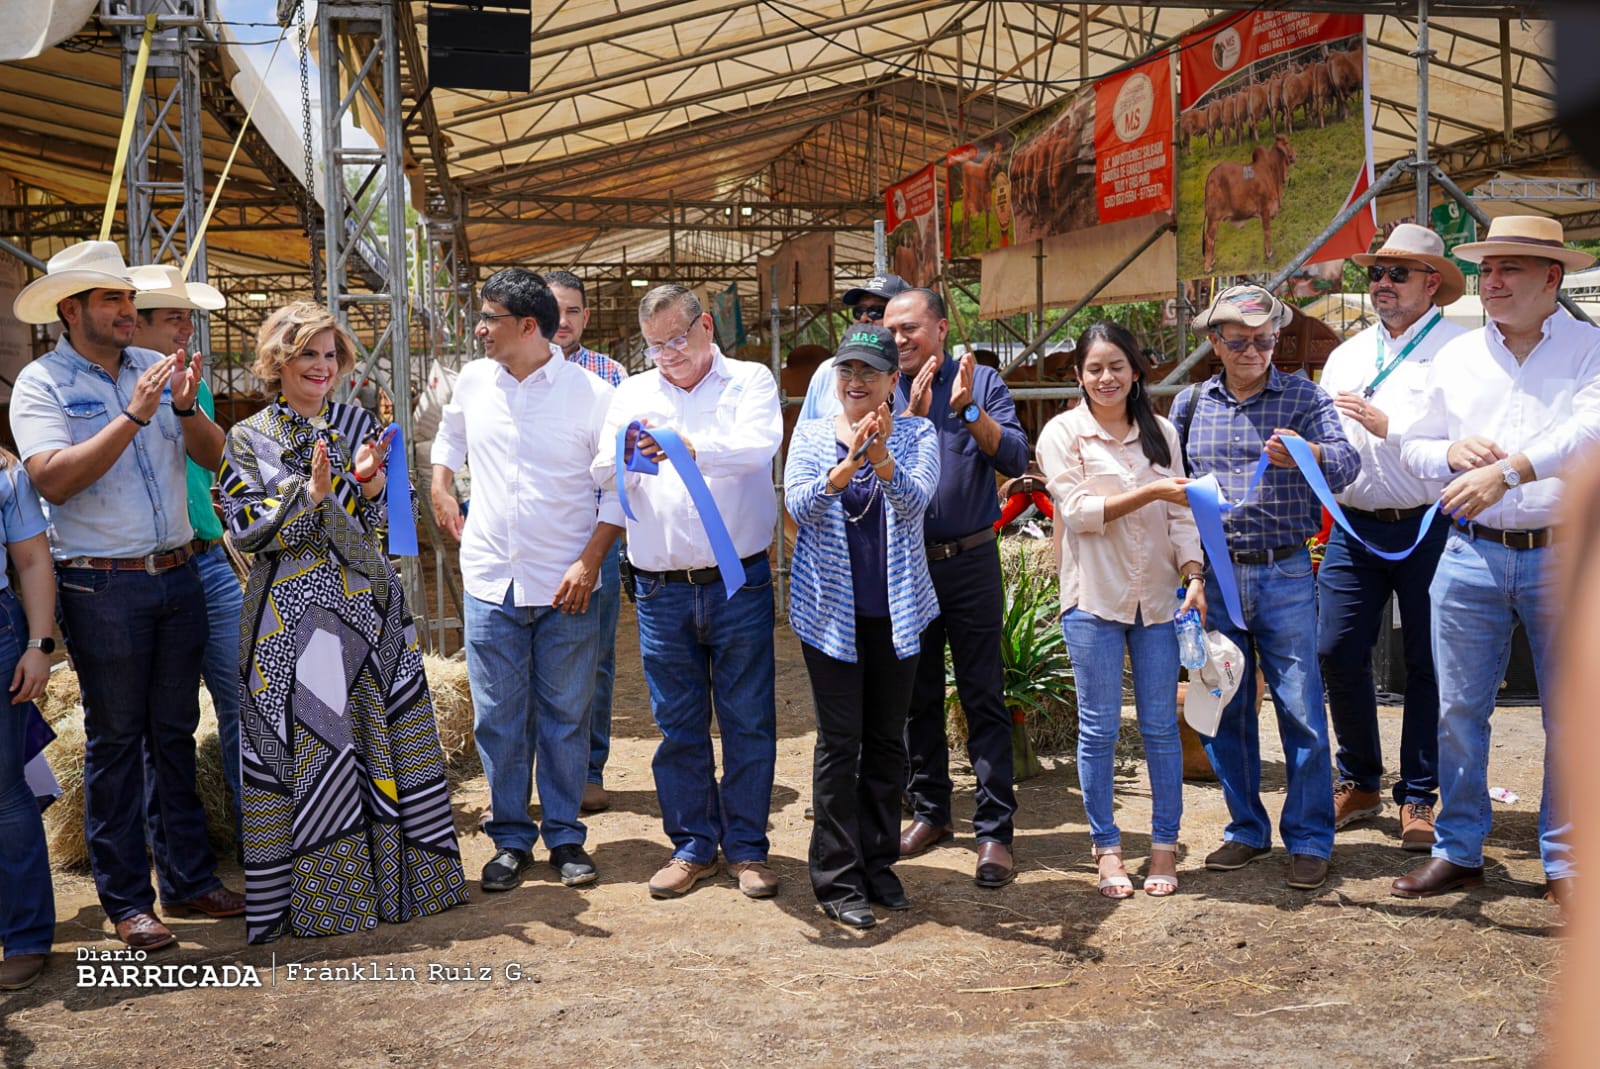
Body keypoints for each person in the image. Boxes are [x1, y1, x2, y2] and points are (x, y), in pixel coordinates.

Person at [9, 240, 243, 952]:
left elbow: (215, 455)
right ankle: (127, 899)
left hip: (176, 573)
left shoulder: (158, 370)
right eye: (110, 299)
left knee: (173, 733)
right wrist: (136, 416)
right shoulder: (40, 384)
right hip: (98, 583)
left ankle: (189, 877)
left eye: (126, 298)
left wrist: (185, 409)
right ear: (70, 310)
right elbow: (51, 479)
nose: (125, 309)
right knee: (116, 743)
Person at [220, 302, 467, 942]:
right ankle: (330, 902)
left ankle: (397, 890)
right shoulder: (245, 439)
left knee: (378, 740)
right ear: (279, 362)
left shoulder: (360, 422)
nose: (323, 367)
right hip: (290, 622)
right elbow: (246, 531)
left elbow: (388, 527)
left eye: (331, 355)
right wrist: (315, 495)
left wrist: (376, 488)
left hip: (367, 609)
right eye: (309, 355)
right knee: (313, 752)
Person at [1394, 215, 1600, 905]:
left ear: (1553, 277)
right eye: (1487, 269)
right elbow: (1414, 446)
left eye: (1510, 268)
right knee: (1457, 710)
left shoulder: (1588, 348)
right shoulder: (1453, 357)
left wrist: (1508, 471)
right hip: (1470, 553)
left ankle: (1567, 862)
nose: (1493, 281)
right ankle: (1459, 849)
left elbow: (1589, 432)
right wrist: (1448, 456)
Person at [431, 269, 622, 893]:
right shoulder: (473, 381)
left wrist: (590, 562)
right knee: (498, 717)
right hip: (491, 579)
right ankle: (511, 837)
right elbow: (451, 434)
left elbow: (618, 489)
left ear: (528, 327)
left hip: (567, 582)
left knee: (566, 715)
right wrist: (440, 481)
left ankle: (565, 836)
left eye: (489, 319)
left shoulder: (592, 395)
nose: (480, 329)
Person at [593, 284, 784, 900]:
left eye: (677, 339)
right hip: (658, 587)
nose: (668, 355)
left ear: (705, 326)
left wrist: (687, 448)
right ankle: (693, 845)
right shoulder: (632, 392)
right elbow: (600, 469)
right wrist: (628, 456)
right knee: (677, 723)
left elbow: (759, 448)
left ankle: (749, 848)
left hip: (738, 580)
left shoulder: (749, 380)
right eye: (654, 346)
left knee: (748, 717)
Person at [1169, 284, 1359, 891]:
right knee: (1223, 708)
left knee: (1301, 709)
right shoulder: (1190, 405)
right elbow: (1174, 495)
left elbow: (1349, 464)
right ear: (1214, 343)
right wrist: (1191, 576)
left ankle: (1307, 837)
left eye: (1265, 339)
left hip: (1284, 573)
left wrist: (1309, 455)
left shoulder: (1304, 397)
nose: (1254, 350)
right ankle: (1246, 830)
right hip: (1215, 579)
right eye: (1240, 340)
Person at [1037, 322, 1203, 898]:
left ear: (1137, 370)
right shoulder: (1062, 434)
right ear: (1079, 375)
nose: (1106, 378)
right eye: (1093, 368)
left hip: (1158, 599)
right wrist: (1154, 492)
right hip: (1093, 599)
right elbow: (1079, 511)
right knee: (1099, 729)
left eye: (1116, 366)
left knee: (1160, 727)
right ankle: (1106, 849)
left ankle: (1164, 845)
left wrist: (1194, 575)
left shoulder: (1160, 432)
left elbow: (1182, 517)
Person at [1315, 225, 1467, 848]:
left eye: (1397, 274)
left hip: (1433, 523)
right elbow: (1327, 435)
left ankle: (1419, 797)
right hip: (1354, 526)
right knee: (1335, 650)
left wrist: (1392, 424)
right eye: (1376, 272)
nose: (1381, 283)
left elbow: (1469, 439)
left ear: (1432, 282)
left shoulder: (1465, 351)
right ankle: (1360, 779)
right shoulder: (1346, 354)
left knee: (1428, 663)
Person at [784, 324, 939, 929]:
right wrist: (839, 473)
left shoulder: (921, 434)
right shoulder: (816, 435)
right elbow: (795, 507)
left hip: (899, 613)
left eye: (869, 373)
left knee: (885, 743)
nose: (855, 382)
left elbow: (916, 502)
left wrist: (879, 456)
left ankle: (880, 865)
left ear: (892, 381)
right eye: (847, 372)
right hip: (830, 617)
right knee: (839, 744)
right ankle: (836, 877)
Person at [878, 288, 1031, 888]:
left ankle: (994, 832)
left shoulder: (982, 381)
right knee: (917, 696)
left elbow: (1016, 455)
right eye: (891, 330)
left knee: (981, 695)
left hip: (968, 561)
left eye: (910, 328)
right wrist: (906, 419)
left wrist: (969, 411)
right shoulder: (881, 388)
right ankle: (932, 813)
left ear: (940, 329)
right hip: (908, 563)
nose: (899, 340)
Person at [128, 265, 245, 851]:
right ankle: (177, 857)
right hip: (150, 571)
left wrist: (187, 405)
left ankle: (264, 839)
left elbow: (216, 458)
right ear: (135, 323)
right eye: (174, 316)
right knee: (164, 723)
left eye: (188, 316)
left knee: (243, 698)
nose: (187, 327)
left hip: (207, 560)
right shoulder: (113, 389)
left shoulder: (191, 383)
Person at [546, 269, 628, 816]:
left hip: (599, 536)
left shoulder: (611, 374)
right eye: (555, 310)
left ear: (585, 317)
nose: (565, 321)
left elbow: (622, 462)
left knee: (594, 658)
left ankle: (588, 769)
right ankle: (533, 776)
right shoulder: (506, 371)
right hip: (536, 538)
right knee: (529, 660)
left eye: (574, 311)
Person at [0, 451, 59, 990]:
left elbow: (34, 560)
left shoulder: (4, 472)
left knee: (3, 790)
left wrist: (40, 644)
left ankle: (25, 937)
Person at [798, 273, 912, 421]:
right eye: (858, 311)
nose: (864, 318)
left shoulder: (912, 372)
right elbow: (803, 435)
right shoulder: (828, 370)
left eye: (877, 311)